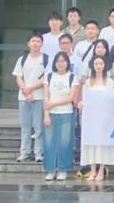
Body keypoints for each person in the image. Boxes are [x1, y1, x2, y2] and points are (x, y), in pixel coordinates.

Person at [42, 52, 79, 181]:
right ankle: (50, 169)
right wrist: (46, 114)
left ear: (67, 63)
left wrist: (53, 104)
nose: (60, 63)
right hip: (51, 114)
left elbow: (70, 98)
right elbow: (46, 98)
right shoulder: (49, 77)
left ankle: (63, 169)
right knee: (49, 142)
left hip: (66, 113)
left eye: (63, 61)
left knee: (65, 142)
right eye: (58, 61)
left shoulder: (72, 77)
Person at [78, 55, 114, 181]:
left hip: (104, 116)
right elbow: (85, 98)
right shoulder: (88, 82)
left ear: (104, 65)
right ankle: (93, 170)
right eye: (96, 64)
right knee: (91, 142)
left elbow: (112, 100)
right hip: (91, 116)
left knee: (103, 143)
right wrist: (81, 105)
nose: (98, 66)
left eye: (100, 64)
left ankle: (101, 170)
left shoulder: (109, 82)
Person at [13, 33, 48, 163]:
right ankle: (24, 153)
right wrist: (26, 92)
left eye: (38, 41)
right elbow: (18, 77)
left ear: (42, 43)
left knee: (39, 128)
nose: (35, 43)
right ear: (28, 43)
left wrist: (30, 88)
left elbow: (46, 79)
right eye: (33, 41)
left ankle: (38, 153)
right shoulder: (22, 59)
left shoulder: (46, 59)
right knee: (25, 127)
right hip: (23, 98)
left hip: (40, 97)